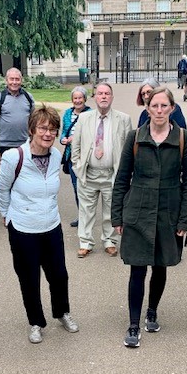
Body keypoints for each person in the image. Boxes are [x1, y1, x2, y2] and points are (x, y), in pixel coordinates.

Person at [112, 87, 187, 348]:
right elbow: (122, 178)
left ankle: (153, 311)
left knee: (160, 266)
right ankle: (134, 325)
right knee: (137, 269)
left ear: (172, 108)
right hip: (138, 209)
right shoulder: (135, 138)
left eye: (164, 106)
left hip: (169, 212)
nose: (159, 111)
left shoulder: (184, 138)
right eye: (154, 106)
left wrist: (185, 220)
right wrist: (117, 217)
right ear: (147, 109)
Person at [0, 105, 79, 344]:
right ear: (32, 129)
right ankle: (35, 322)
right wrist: (6, 214)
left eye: (52, 129)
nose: (48, 134)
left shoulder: (55, 156)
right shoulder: (14, 157)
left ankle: (62, 312)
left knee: (59, 275)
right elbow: (2, 188)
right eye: (43, 128)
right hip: (23, 229)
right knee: (29, 278)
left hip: (51, 225)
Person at [71, 82, 132, 258]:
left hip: (111, 175)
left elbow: (128, 149)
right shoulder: (84, 118)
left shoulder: (123, 119)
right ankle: (85, 242)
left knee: (110, 210)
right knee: (86, 211)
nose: (103, 96)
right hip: (89, 174)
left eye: (107, 93)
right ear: (95, 97)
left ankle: (109, 241)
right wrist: (77, 167)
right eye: (100, 93)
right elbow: (76, 146)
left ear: (112, 97)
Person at [59, 86, 92, 228]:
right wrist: (63, 140)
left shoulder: (91, 113)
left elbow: (93, 134)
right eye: (75, 98)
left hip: (86, 156)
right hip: (71, 156)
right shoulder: (67, 113)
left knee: (87, 187)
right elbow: (64, 132)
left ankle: (88, 216)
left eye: (80, 98)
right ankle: (82, 216)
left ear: (85, 99)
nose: (78, 100)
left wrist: (77, 138)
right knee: (76, 186)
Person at [0, 68, 35, 162]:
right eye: (11, 79)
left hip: (25, 144)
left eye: (17, 79)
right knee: (8, 175)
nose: (14, 82)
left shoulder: (28, 97)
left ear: (21, 80)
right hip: (5, 145)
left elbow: (34, 122)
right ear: (6, 80)